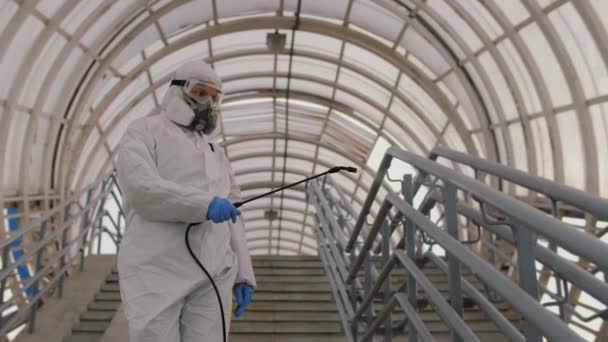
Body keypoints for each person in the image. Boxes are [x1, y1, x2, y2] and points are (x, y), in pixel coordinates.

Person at [115, 60, 256, 341]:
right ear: (177, 91)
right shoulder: (143, 131)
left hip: (213, 270)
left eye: (214, 97)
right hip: (156, 268)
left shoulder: (216, 152)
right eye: (200, 92)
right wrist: (204, 205)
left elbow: (233, 212)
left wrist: (244, 271)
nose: (208, 103)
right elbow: (143, 190)